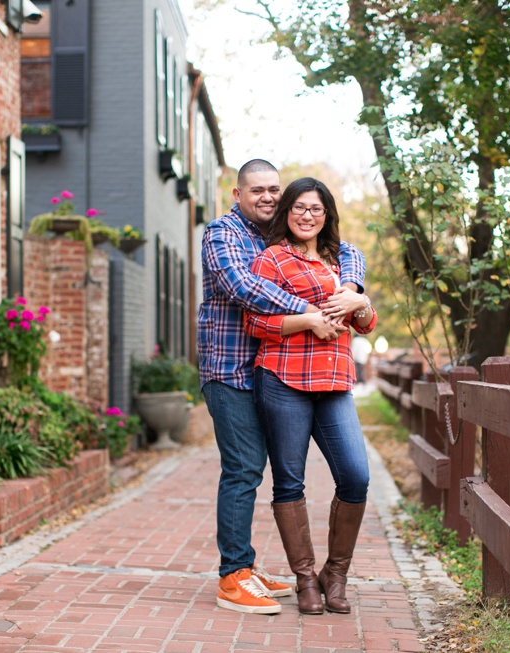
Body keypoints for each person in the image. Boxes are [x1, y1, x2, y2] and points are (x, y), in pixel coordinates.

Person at [198, 160, 368, 615]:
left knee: (271, 472)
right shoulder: (223, 234)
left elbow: (342, 249)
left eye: (274, 189)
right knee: (244, 471)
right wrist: (317, 313)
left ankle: (248, 569)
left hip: (268, 371)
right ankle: (233, 577)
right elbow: (242, 287)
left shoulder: (275, 234)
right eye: (257, 190)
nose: (268, 197)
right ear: (237, 194)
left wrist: (353, 287)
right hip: (229, 370)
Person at [244, 177, 377, 615]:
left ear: (327, 216)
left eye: (316, 209)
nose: (307, 216)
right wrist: (310, 321)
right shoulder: (272, 260)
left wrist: (361, 301)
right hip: (283, 379)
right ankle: (305, 580)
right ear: (287, 212)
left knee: (356, 476)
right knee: (289, 481)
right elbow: (255, 324)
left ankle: (334, 575)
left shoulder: (345, 262)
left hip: (335, 383)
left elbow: (366, 324)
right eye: (299, 207)